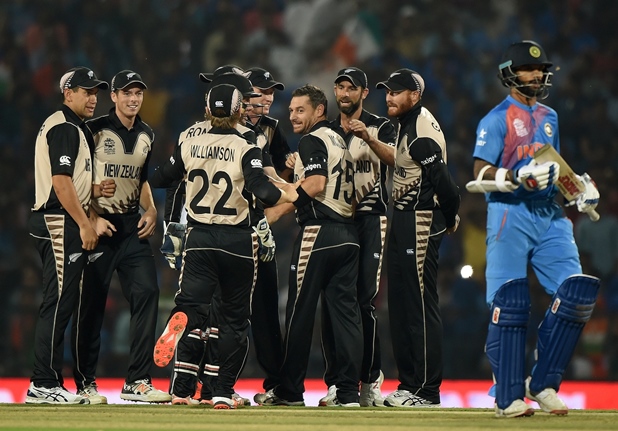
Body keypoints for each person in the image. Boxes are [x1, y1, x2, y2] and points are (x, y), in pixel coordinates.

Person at [471, 40, 600, 418]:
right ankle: (507, 394)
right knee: (508, 303)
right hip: (509, 213)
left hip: (550, 214)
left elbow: (552, 167)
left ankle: (542, 384)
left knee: (575, 294)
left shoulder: (550, 116)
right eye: (530, 69)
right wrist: (513, 176)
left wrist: (578, 188)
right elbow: (478, 171)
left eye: (542, 69)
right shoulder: (495, 119)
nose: (538, 74)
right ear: (511, 74)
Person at [150, 83, 298, 409]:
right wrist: (292, 192)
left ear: (207, 111)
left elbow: (163, 177)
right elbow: (263, 190)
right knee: (233, 319)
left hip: (199, 238)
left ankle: (181, 336)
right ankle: (221, 391)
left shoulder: (190, 140)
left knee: (191, 307)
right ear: (238, 112)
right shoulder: (248, 143)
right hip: (236, 241)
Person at [69, 70, 170, 404]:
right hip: (98, 226)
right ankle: (85, 382)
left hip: (129, 225)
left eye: (138, 93)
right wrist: (91, 217)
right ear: (113, 96)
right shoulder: (92, 130)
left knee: (148, 291)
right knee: (92, 304)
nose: (133, 99)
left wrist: (152, 210)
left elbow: (140, 178)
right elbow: (73, 179)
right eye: (127, 93)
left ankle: (138, 381)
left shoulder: (146, 134)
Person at [262, 84, 363, 407]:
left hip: (318, 233)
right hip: (349, 235)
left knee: (298, 313)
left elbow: (316, 185)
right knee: (345, 316)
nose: (292, 116)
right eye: (290, 110)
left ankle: (290, 391)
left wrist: (279, 204)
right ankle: (347, 392)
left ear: (319, 111)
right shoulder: (338, 139)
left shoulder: (312, 140)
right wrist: (290, 185)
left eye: (300, 110)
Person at [26, 67, 114, 404]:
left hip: (60, 217)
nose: (93, 98)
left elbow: (65, 180)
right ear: (68, 94)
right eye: (85, 91)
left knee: (61, 300)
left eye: (95, 92)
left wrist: (91, 189)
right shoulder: (64, 127)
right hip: (59, 220)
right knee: (59, 301)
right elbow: (60, 184)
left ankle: (48, 381)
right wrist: (85, 223)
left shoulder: (70, 125)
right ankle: (43, 383)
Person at [376, 69, 460, 408]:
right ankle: (408, 383)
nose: (389, 97)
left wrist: (450, 215)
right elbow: (403, 164)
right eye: (387, 92)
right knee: (400, 302)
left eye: (397, 92)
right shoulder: (407, 124)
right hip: (405, 217)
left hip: (421, 218)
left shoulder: (421, 131)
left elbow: (444, 181)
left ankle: (427, 391)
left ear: (415, 95)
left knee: (420, 305)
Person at [317, 67, 397, 407]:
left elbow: (397, 159)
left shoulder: (382, 125)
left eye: (352, 88)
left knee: (364, 299)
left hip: (370, 219)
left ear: (364, 93)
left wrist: (369, 138)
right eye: (340, 87)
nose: (345, 94)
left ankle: (371, 379)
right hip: (336, 221)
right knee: (333, 300)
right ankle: (338, 382)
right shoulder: (325, 130)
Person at [243, 66, 290, 405]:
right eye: (261, 91)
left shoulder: (272, 128)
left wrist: (269, 217)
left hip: (257, 229)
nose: (268, 98)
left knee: (265, 310)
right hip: (226, 224)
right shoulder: (227, 125)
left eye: (271, 92)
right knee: (223, 311)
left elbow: (285, 167)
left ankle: (277, 383)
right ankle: (206, 379)